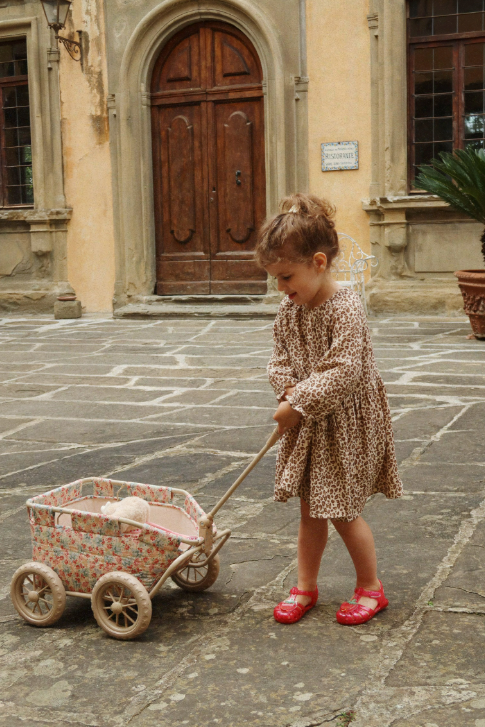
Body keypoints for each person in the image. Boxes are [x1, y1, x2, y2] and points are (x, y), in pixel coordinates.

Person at [255, 193, 403, 626]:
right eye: (276, 279)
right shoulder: (290, 308)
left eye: (286, 277)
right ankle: (306, 585)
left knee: (341, 509)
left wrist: (299, 401)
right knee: (309, 508)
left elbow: (344, 370)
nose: (281, 288)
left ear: (319, 263)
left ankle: (371, 588)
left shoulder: (346, 308)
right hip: (307, 421)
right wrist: (287, 390)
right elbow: (279, 356)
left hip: (344, 423)